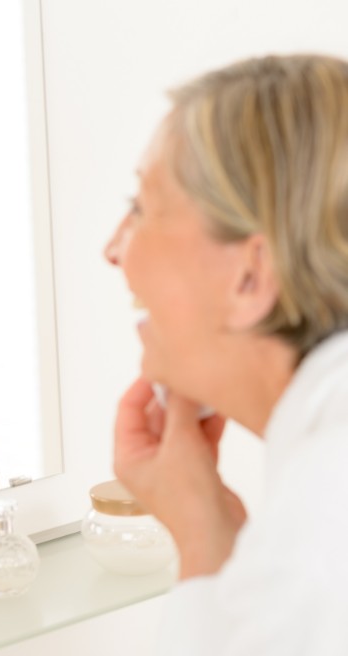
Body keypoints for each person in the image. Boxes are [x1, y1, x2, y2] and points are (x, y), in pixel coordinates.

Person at [105, 54, 348, 654]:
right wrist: (205, 538)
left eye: (140, 208)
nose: (113, 250)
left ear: (250, 277)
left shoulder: (320, 522)